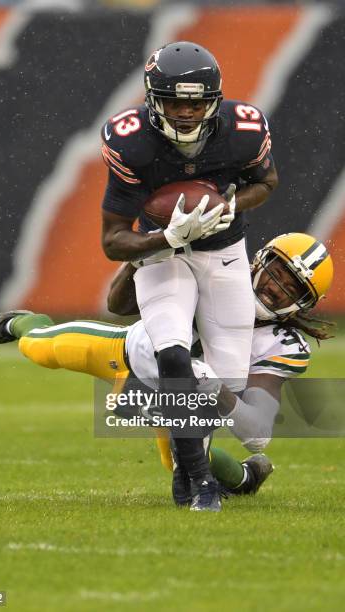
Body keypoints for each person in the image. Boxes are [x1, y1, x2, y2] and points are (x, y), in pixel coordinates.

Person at [0, 233, 334, 510]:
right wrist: (150, 247)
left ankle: (246, 479)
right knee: (40, 347)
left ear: (301, 305)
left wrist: (209, 386)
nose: (274, 289)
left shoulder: (281, 344)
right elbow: (118, 305)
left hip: (183, 398)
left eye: (290, 287)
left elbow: (258, 432)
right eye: (277, 273)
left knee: (179, 461)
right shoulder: (215, 272)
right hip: (129, 352)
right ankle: (18, 323)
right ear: (259, 261)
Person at [100, 40, 278, 509]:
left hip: (224, 253)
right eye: (175, 101)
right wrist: (167, 238)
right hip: (164, 255)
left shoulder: (242, 130)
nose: (185, 112)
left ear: (214, 101)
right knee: (173, 355)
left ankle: (193, 466)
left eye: (196, 102)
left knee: (224, 387)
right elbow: (112, 240)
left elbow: (267, 181)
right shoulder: (130, 139)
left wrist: (230, 204)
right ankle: (198, 485)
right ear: (153, 100)